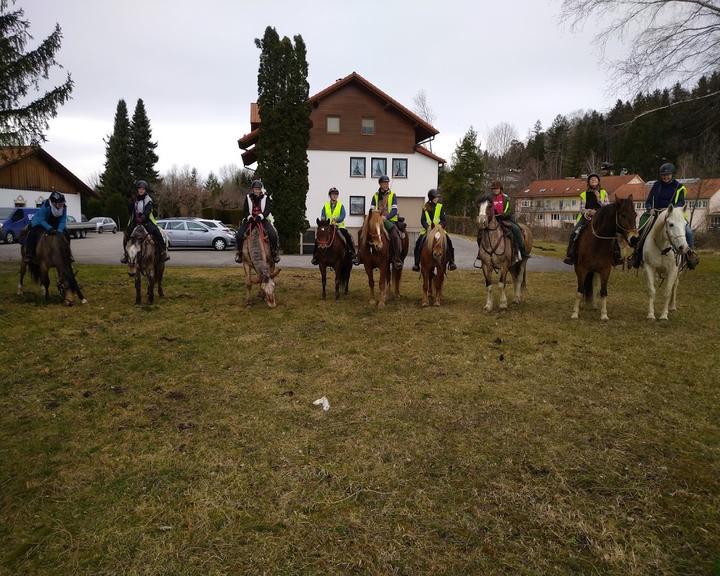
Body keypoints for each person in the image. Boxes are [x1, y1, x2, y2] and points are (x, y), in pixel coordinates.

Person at [630, 162, 697, 268]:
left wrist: (670, 210)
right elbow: (648, 201)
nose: (665, 177)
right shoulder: (656, 185)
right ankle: (637, 254)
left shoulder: (679, 187)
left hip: (673, 215)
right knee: (643, 228)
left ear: (672, 175)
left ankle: (690, 254)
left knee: (688, 231)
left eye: (667, 175)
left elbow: (681, 202)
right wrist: (649, 208)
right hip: (656, 214)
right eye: (663, 175)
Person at [563, 173, 609, 265]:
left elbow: (607, 207)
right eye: (591, 180)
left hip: (600, 217)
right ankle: (570, 255)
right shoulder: (583, 194)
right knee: (574, 233)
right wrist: (588, 212)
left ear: (598, 182)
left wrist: (599, 199)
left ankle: (616, 255)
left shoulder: (604, 192)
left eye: (595, 179)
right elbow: (581, 208)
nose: (593, 181)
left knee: (612, 232)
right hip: (586, 217)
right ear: (588, 182)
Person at [121, 180, 169, 263]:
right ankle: (126, 254)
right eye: (140, 189)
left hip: (146, 221)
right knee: (126, 235)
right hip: (135, 221)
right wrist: (131, 202)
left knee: (157, 232)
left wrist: (142, 218)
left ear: (145, 190)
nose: (141, 190)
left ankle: (163, 252)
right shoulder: (135, 199)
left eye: (143, 189)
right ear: (137, 189)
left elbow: (148, 211)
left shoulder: (148, 199)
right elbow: (130, 211)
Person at [235, 179, 280, 263]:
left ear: (261, 189)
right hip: (250, 220)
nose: (257, 191)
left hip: (262, 220)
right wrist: (249, 217)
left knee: (273, 234)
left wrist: (260, 216)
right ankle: (239, 253)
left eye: (259, 189)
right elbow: (245, 210)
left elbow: (267, 210)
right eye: (256, 189)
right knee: (239, 235)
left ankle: (274, 253)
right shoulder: (248, 197)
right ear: (253, 189)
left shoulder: (266, 197)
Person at [311, 187, 359, 266]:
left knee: (346, 237)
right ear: (330, 195)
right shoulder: (326, 205)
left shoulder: (340, 205)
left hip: (339, 226)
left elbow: (343, 215)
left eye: (336, 194)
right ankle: (315, 256)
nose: (334, 196)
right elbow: (323, 215)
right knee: (318, 239)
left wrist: (336, 220)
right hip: (328, 227)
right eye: (333, 194)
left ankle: (352, 253)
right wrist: (323, 221)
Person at [412, 188, 457, 271]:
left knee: (448, 241)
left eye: (437, 197)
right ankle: (416, 263)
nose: (437, 198)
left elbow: (444, 220)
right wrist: (428, 227)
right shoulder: (425, 207)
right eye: (436, 197)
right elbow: (423, 220)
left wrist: (440, 227)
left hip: (439, 230)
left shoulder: (440, 206)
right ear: (431, 198)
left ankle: (451, 262)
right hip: (428, 230)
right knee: (419, 243)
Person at [23, 190, 68, 263]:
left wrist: (60, 230)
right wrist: (49, 228)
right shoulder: (46, 206)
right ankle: (29, 254)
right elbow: (41, 220)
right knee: (33, 233)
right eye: (60, 203)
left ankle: (67, 254)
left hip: (53, 222)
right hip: (40, 222)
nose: (62, 205)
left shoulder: (64, 207)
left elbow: (63, 220)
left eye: (63, 203)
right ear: (53, 203)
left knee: (66, 233)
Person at [370, 175, 404, 268]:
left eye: (387, 183)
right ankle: (361, 255)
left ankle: (396, 258)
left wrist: (386, 217)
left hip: (389, 220)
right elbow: (372, 209)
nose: (386, 185)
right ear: (380, 184)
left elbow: (394, 210)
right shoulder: (375, 196)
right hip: (377, 221)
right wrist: (375, 217)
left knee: (395, 235)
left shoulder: (392, 195)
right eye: (384, 183)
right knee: (364, 232)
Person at [488, 181, 528, 260]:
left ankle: (521, 252)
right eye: (493, 189)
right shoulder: (489, 198)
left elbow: (509, 210)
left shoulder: (505, 198)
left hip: (505, 219)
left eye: (497, 189)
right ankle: (481, 253)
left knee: (516, 229)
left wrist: (504, 214)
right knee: (481, 231)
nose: (495, 190)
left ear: (500, 189)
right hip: (494, 219)